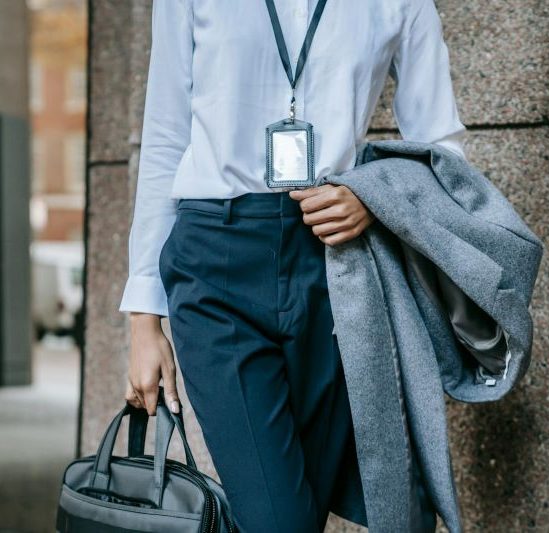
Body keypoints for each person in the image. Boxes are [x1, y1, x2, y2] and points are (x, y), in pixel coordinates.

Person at [119, 0, 467, 531]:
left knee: (299, 516)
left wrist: (374, 198)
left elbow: (440, 145)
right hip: (216, 265)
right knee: (278, 519)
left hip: (335, 268)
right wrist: (144, 317)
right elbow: (166, 135)